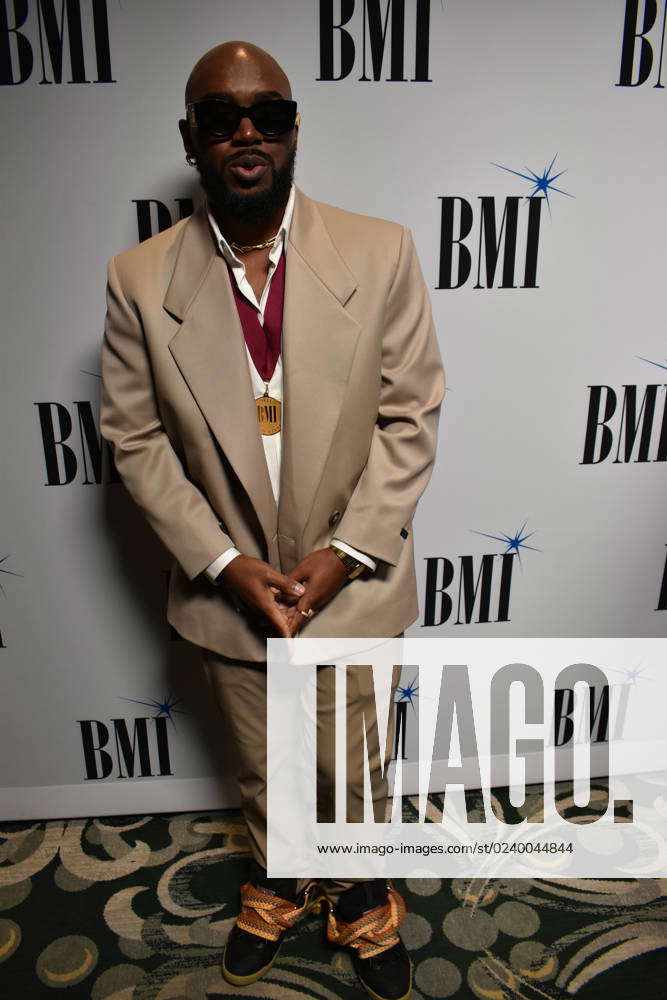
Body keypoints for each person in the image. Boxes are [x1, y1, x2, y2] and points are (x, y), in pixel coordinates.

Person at [100, 40, 444, 1000]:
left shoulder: (380, 252)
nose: (245, 132)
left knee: (353, 766)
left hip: (355, 578)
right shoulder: (138, 278)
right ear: (191, 137)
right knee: (261, 767)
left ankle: (363, 892)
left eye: (268, 114)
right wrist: (221, 563)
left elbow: (409, 417)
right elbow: (135, 441)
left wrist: (344, 553)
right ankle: (284, 875)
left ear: (294, 130)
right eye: (220, 116)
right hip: (229, 592)